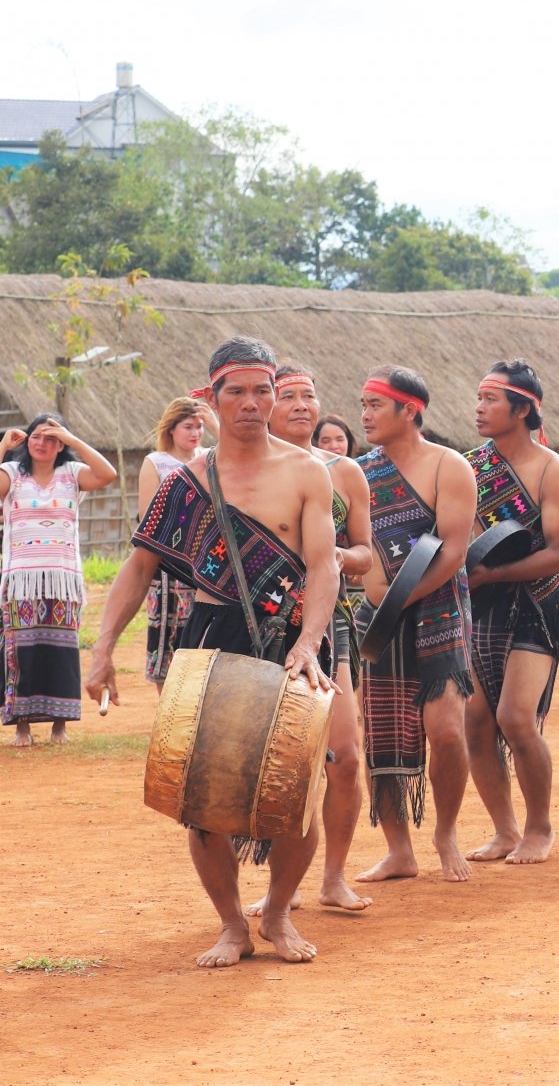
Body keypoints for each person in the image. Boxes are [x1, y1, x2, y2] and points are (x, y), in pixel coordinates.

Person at [87, 337, 339, 967]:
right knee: (203, 801)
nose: (251, 403)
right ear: (212, 398)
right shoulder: (187, 484)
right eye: (237, 391)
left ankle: (277, 913)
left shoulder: (308, 471)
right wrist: (102, 649)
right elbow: (140, 564)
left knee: (300, 789)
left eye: (263, 391)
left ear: (275, 394)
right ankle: (231, 924)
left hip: (292, 642)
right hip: (210, 634)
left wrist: (310, 639)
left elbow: (323, 564)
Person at [257, 364, 376, 914]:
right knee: (278, 763)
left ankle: (334, 877)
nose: (302, 405)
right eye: (289, 396)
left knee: (345, 756)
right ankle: (281, 887)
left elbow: (365, 553)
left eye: (310, 395)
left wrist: (331, 557)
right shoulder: (250, 471)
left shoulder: (345, 471)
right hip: (265, 629)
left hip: (331, 625)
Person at [354, 365, 478, 884]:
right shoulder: (358, 471)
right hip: (378, 618)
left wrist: (405, 596)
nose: (365, 414)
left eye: (375, 405)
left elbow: (453, 548)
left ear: (410, 410)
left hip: (439, 608)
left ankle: (445, 833)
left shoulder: (449, 466)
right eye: (361, 404)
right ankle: (399, 850)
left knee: (446, 730)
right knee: (381, 735)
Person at [464, 361, 559, 865]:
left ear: (523, 408)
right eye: (480, 398)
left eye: (491, 399)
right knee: (476, 722)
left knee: (515, 716)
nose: (479, 407)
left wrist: (490, 576)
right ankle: (504, 831)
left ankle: (539, 827)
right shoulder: (469, 466)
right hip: (481, 602)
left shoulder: (553, 469)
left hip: (537, 600)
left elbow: (558, 553)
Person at [2, 415, 116, 743]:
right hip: (20, 579)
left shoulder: (72, 474)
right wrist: (3, 447)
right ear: (27, 440)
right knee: (21, 651)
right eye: (37, 436)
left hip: (62, 579)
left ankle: (59, 726)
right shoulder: (12, 473)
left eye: (52, 439)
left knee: (61, 650)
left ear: (62, 445)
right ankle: (21, 727)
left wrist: (74, 438)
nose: (42, 443)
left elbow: (108, 474)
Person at [138, 397, 213, 689]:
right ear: (171, 429)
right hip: (168, 563)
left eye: (200, 426)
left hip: (208, 562)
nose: (195, 433)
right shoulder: (156, 463)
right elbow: (147, 518)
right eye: (188, 426)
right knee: (167, 631)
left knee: (203, 631)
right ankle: (167, 707)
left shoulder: (211, 458)